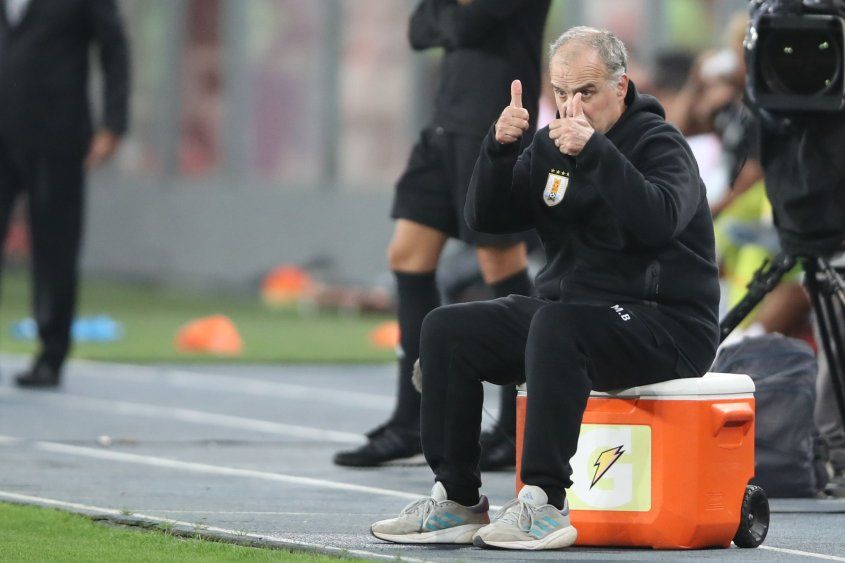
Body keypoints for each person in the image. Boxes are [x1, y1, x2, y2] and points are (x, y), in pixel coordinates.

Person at [371, 26, 720, 550]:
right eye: (561, 93)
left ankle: (544, 502)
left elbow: (659, 220)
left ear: (621, 88)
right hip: (577, 313)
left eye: (586, 92)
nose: (572, 107)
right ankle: (457, 499)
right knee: (447, 327)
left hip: (665, 323)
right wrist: (497, 150)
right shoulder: (549, 145)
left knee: (557, 324)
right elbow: (487, 219)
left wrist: (598, 154)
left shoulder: (661, 144)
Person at [334, 0, 550, 469]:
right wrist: (449, 19)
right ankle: (412, 419)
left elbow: (467, 22)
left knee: (500, 258)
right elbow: (419, 28)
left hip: (492, 126)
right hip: (443, 126)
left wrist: (448, 19)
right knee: (407, 255)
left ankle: (521, 425)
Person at [0, 0, 130, 387]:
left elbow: (114, 46)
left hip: (57, 131)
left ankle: (51, 353)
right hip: (3, 129)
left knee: (55, 246)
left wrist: (113, 123)